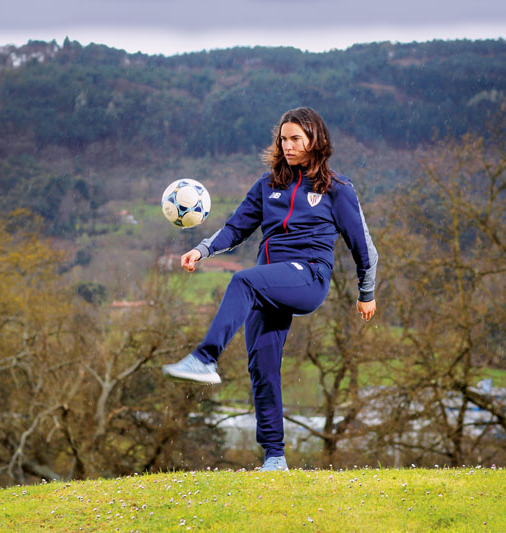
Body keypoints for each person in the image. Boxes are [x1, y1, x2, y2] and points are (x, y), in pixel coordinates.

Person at [162, 107, 377, 472]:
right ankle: (275, 459)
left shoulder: (337, 189)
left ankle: (204, 357)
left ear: (315, 140)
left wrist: (366, 292)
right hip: (270, 283)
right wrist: (202, 250)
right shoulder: (268, 184)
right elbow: (235, 227)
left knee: (242, 279)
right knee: (262, 366)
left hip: (309, 277)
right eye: (284, 139)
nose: (288, 145)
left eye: (296, 138)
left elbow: (363, 246)